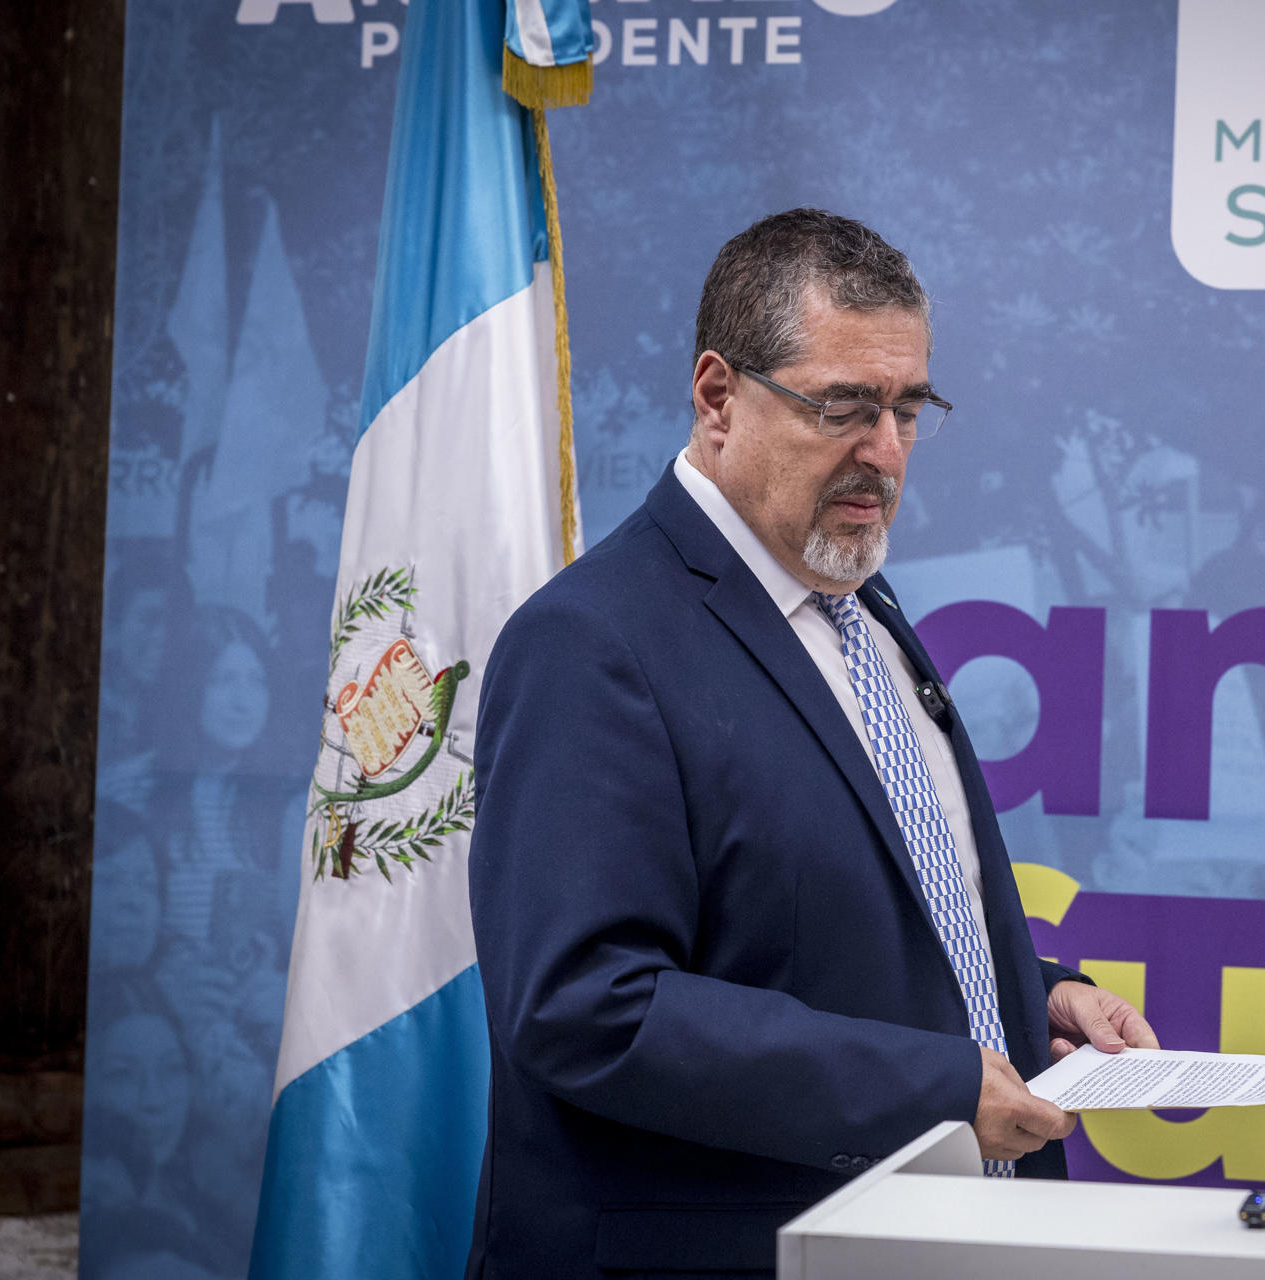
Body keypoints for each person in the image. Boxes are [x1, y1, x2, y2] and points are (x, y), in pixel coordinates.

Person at [466, 208, 1156, 1278]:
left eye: (909, 409)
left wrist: (1037, 992)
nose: (884, 452)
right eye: (844, 407)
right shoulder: (591, 641)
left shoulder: (859, 605)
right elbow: (588, 1006)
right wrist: (934, 1085)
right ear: (715, 398)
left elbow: (840, 918)